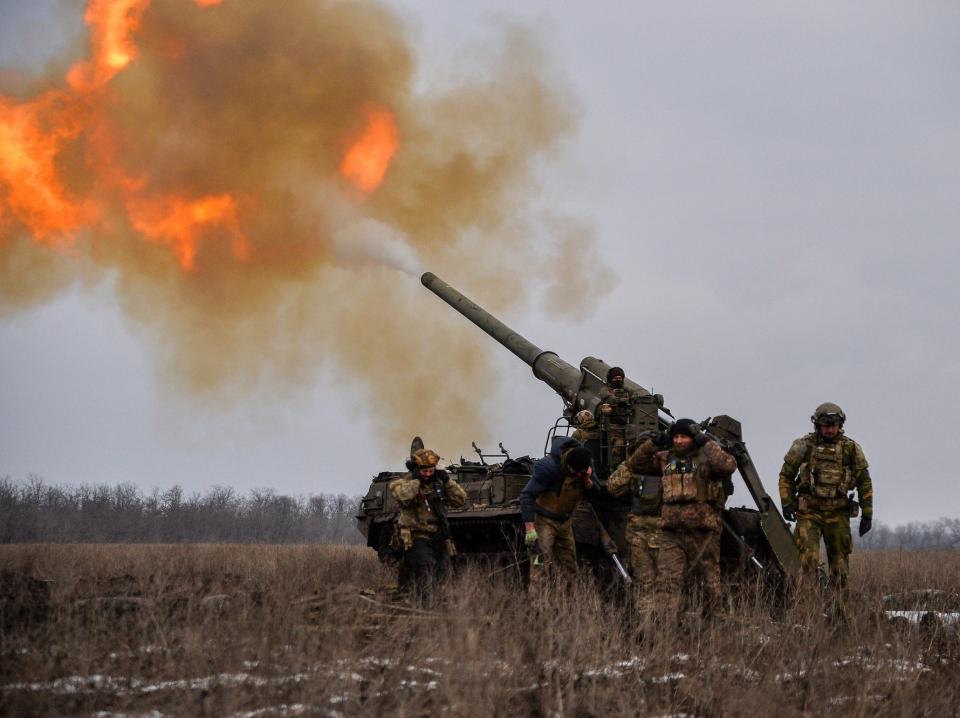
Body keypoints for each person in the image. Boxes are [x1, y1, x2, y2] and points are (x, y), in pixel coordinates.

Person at [623, 419, 737, 619]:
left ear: (692, 438)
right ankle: (662, 630)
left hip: (703, 532)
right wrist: (653, 443)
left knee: (709, 583)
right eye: (675, 437)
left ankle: (715, 624)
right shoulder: (665, 458)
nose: (679, 441)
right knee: (667, 583)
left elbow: (727, 465)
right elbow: (634, 464)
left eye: (684, 436)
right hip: (672, 533)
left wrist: (706, 442)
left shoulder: (706, 458)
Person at [779, 402, 873, 619]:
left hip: (838, 514)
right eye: (825, 425)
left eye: (834, 425)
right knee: (806, 563)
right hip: (809, 513)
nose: (830, 429)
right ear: (817, 425)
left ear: (841, 425)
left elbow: (864, 481)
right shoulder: (803, 446)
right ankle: (806, 618)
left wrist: (868, 513)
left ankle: (842, 618)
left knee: (840, 567)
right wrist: (786, 502)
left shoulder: (850, 449)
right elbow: (785, 475)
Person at [389, 448, 467, 601]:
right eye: (424, 471)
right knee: (425, 569)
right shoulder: (403, 482)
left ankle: (431, 601)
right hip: (416, 534)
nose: (428, 474)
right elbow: (403, 496)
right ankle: (424, 604)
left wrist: (447, 481)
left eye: (431, 471)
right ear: (417, 469)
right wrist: (416, 480)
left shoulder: (439, 483)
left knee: (442, 571)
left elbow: (460, 500)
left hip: (438, 535)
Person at [519, 437, 598, 586]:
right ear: (567, 465)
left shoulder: (585, 465)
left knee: (570, 568)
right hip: (544, 522)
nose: (578, 477)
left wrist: (588, 481)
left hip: (565, 523)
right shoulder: (548, 468)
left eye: (582, 473)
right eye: (576, 473)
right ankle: (539, 607)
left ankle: (568, 606)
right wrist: (530, 529)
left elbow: (596, 494)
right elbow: (527, 495)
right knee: (539, 565)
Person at [604, 458, 662, 605]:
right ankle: (651, 623)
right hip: (646, 537)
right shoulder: (640, 464)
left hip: (657, 536)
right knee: (648, 584)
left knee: (655, 586)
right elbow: (612, 487)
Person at [598, 367, 634, 470]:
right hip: (612, 426)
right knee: (619, 444)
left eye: (620, 378)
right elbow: (607, 397)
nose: (618, 380)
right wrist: (619, 401)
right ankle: (615, 468)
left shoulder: (627, 391)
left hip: (626, 425)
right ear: (610, 379)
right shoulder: (605, 390)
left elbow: (636, 397)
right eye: (615, 378)